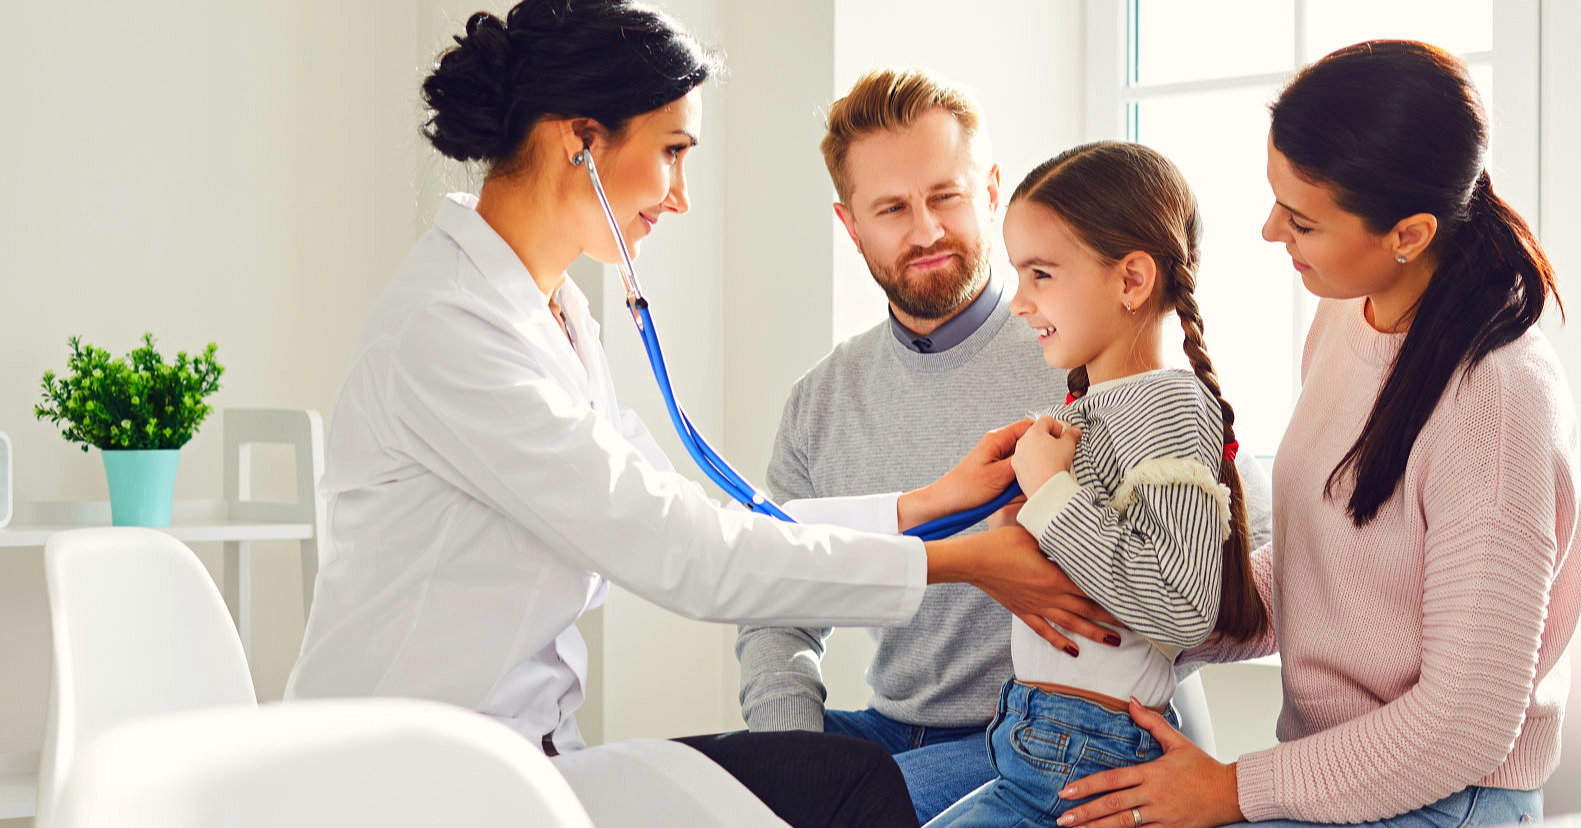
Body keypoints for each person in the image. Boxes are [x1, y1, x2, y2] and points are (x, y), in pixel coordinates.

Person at [285, 4, 1101, 827]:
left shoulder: (551, 310)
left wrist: (919, 508)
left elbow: (702, 517)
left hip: (521, 755)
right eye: (672, 151)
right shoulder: (450, 331)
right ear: (583, 141)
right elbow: (684, 550)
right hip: (407, 777)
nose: (679, 197)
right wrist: (954, 560)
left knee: (839, 784)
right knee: (838, 785)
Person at [1052, 41, 1581, 828]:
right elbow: (1321, 566)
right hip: (1337, 782)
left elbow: (1466, 726)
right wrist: (1156, 607)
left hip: (1447, 799)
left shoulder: (1497, 401)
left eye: (1301, 219)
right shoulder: (1347, 311)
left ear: (1408, 233)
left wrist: (1230, 790)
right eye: (1277, 199)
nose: (1270, 231)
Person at [734, 69, 1272, 822]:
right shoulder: (821, 399)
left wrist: (1117, 623)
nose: (923, 230)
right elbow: (775, 601)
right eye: (891, 208)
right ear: (849, 223)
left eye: (945, 196)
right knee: (705, 790)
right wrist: (793, 760)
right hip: (886, 727)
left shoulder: (1088, 349)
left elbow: (1239, 561)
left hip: (1038, 734)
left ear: (990, 190)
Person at [924, 140, 1269, 827]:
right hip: (1036, 740)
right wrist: (1017, 516)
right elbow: (1084, 570)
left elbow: (1181, 606)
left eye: (1041, 274)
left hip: (1085, 757)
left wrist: (1052, 495)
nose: (1019, 303)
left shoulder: (1168, 404)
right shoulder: (1089, 411)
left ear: (1132, 281)